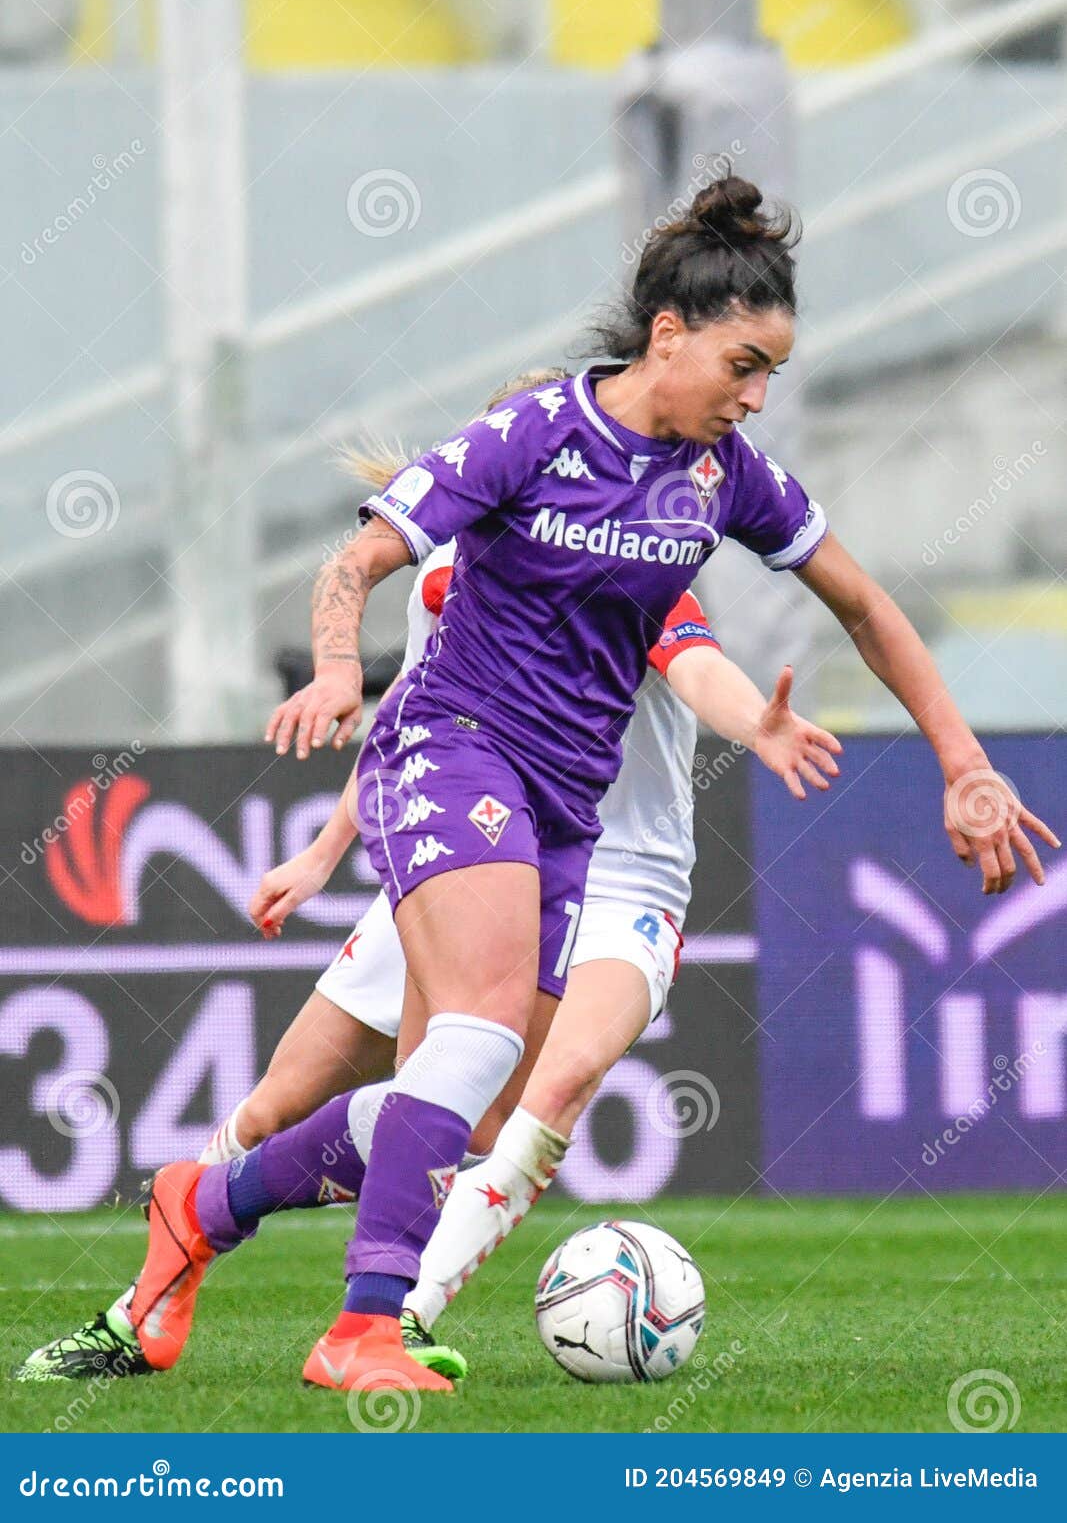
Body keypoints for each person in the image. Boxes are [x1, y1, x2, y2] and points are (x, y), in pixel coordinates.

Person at [28, 175, 1056, 1400]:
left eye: (770, 373)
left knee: (448, 1108)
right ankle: (363, 1327)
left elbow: (860, 605)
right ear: (666, 335)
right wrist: (339, 676)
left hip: (557, 816)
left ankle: (203, 1204)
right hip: (456, 761)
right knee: (456, 1040)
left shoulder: (716, 480)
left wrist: (960, 762)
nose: (755, 396)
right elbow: (356, 559)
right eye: (742, 364)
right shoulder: (529, 440)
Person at [15, 520, 841, 1385]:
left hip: (622, 878)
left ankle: (397, 1315)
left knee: (515, 1096)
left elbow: (696, 666)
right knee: (278, 1106)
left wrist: (759, 724)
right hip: (462, 853)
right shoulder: (450, 574)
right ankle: (145, 1296)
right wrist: (322, 853)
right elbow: (412, 712)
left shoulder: (635, 569)